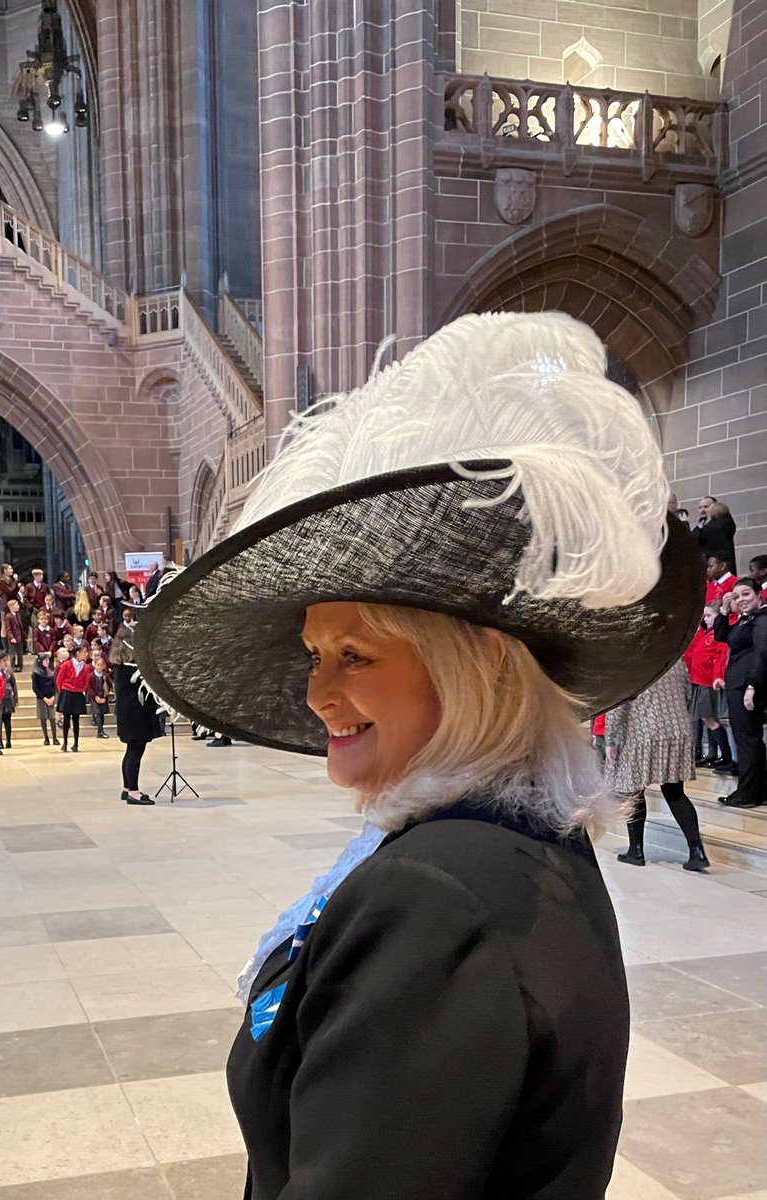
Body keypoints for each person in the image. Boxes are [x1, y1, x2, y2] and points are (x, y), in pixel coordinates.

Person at [132, 311, 703, 1197]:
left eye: (355, 655)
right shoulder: (519, 841)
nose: (318, 692)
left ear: (475, 659)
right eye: (315, 655)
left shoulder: (431, 895)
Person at [605, 660, 709, 871]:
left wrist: (611, 739)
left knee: (633, 791)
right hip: (676, 731)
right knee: (675, 793)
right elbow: (687, 692)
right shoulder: (675, 659)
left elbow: (617, 704)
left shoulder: (630, 664)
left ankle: (636, 851)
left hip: (641, 733)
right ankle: (697, 851)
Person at [714, 579, 766, 808]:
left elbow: (762, 652)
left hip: (746, 685)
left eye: (746, 594)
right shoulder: (746, 620)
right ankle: (757, 790)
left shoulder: (762, 619)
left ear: (758, 595)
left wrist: (753, 686)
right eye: (737, 596)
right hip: (738, 684)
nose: (741, 599)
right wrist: (724, 610)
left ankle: (747, 794)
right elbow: (722, 635)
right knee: (748, 740)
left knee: (747, 741)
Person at [110, 609, 160, 804]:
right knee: (136, 751)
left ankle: (126, 787)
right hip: (135, 712)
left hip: (127, 712)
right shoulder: (131, 667)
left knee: (131, 750)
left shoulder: (119, 665)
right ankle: (134, 791)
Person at [684, 602, 733, 771]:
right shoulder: (706, 634)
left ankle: (726, 756)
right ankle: (718, 755)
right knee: (707, 719)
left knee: (711, 719)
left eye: (709, 616)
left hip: (708, 682)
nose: (705, 619)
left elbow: (720, 656)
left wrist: (717, 676)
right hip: (699, 681)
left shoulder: (717, 636)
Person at [55, 643, 89, 752]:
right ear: (78, 653)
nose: (86, 654)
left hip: (77, 693)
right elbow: (59, 680)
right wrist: (63, 691)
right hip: (67, 692)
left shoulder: (85, 666)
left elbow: (86, 681)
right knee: (66, 719)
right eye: (84, 652)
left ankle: (76, 743)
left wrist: (80, 689)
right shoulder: (66, 664)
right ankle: (65, 742)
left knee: (76, 720)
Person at [694, 496, 738, 571]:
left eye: (706, 507)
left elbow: (693, 540)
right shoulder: (703, 525)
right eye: (700, 507)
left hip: (716, 570)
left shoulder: (718, 525)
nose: (702, 510)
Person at [31, 652, 58, 746]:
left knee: (52, 718)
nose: (47, 662)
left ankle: (55, 738)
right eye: (45, 660)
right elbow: (35, 688)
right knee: (43, 718)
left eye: (48, 660)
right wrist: (44, 698)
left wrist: (53, 696)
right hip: (41, 699)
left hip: (51, 697)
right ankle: (46, 738)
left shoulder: (50, 672)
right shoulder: (35, 673)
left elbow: (54, 686)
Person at [89, 654, 110, 738]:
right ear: (95, 665)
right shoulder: (91, 676)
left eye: (101, 665)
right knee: (97, 713)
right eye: (98, 665)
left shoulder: (105, 676)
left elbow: (108, 687)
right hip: (95, 698)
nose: (99, 667)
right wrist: (95, 697)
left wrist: (104, 697)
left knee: (102, 714)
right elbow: (89, 688)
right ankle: (101, 731)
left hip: (103, 697)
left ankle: (99, 732)